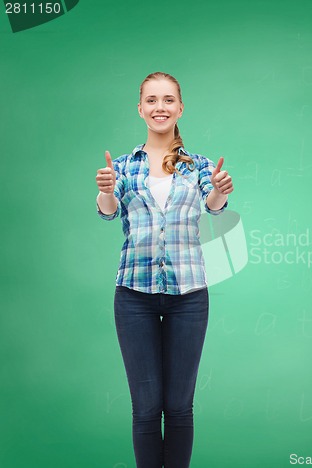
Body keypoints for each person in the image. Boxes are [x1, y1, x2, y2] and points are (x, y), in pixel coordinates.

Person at [95, 71, 233, 468]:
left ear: (180, 108)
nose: (160, 107)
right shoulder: (122, 166)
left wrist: (221, 190)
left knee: (178, 407)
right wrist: (106, 192)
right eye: (152, 100)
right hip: (133, 295)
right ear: (140, 109)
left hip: (189, 297)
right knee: (145, 408)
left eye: (168, 99)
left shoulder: (199, 165)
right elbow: (108, 213)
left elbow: (215, 206)